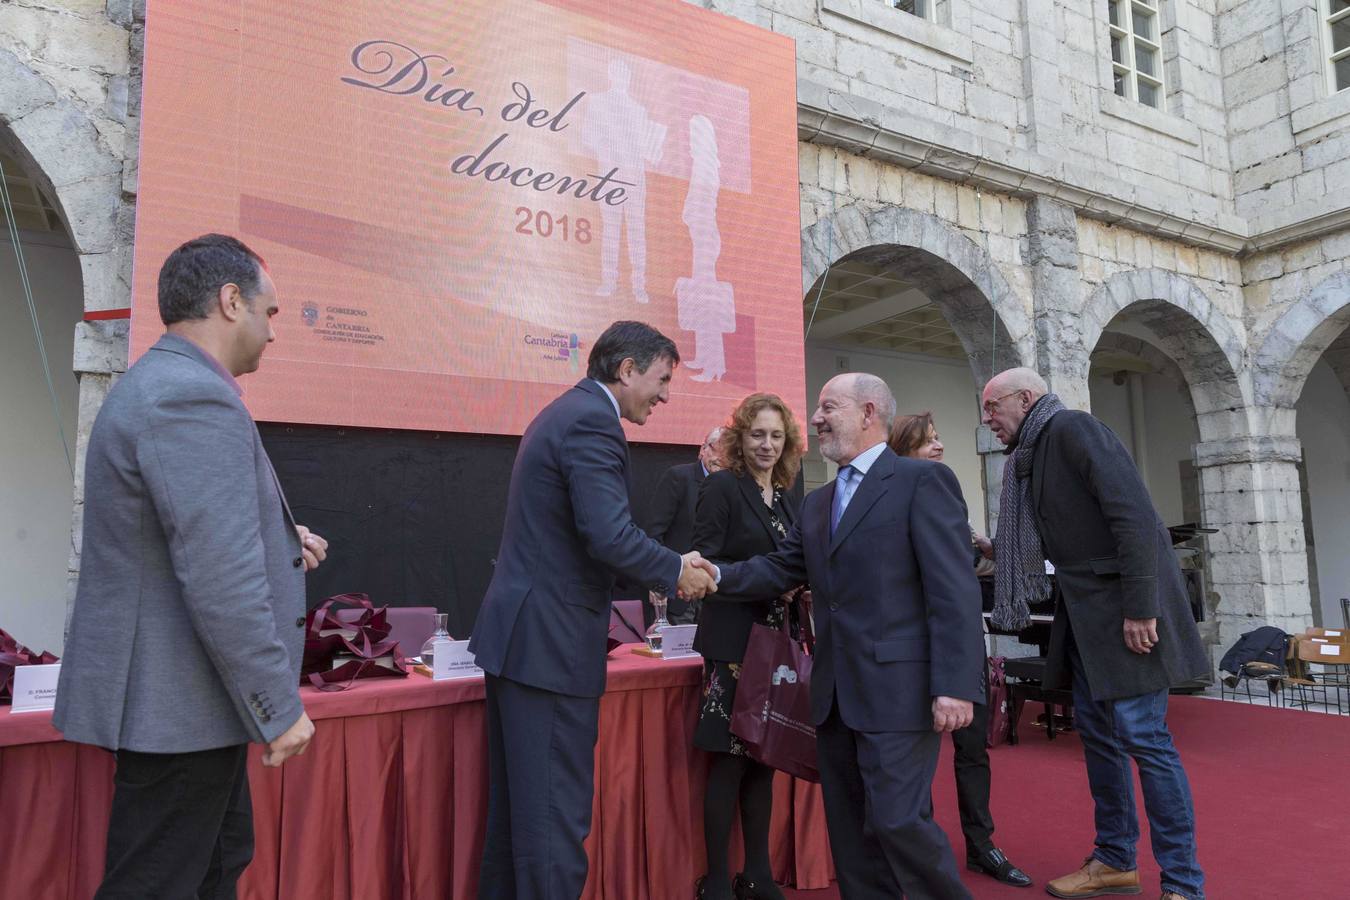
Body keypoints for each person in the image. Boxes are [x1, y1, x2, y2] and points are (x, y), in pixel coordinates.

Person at [53, 234, 329, 899]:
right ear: (231, 301)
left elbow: (182, 527)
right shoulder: (189, 396)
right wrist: (276, 703)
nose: (273, 333)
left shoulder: (170, 385)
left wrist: (279, 537)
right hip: (174, 706)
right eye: (271, 313)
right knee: (158, 883)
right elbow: (218, 573)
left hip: (187, 706)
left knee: (212, 868)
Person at [710, 373, 985, 900]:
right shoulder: (818, 502)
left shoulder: (921, 482)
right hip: (835, 698)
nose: (815, 419)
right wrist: (714, 575)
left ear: (869, 411)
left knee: (899, 824)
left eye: (827, 406)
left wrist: (956, 684)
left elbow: (953, 592)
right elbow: (777, 568)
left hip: (900, 694)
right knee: (852, 835)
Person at [468, 320, 718, 899]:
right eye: (660, 379)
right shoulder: (591, 422)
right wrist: (676, 570)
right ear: (626, 370)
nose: (664, 394)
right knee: (553, 826)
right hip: (549, 646)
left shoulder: (567, 413)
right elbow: (608, 534)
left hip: (526, 643)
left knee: (521, 827)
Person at [981, 367, 1208, 900]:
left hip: (1124, 613)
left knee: (1144, 739)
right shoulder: (1030, 456)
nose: (987, 419)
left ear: (1026, 398)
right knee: (1101, 741)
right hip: (1084, 615)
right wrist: (998, 549)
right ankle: (1114, 860)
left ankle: (1183, 884)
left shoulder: (1073, 430)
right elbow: (1064, 534)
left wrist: (1140, 608)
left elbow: (1134, 518)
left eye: (993, 407)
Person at [888, 412, 1031, 889]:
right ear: (902, 451)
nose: (939, 446)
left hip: (963, 641)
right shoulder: (887, 503)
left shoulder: (946, 491)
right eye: (927, 441)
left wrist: (990, 553)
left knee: (973, 751)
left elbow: (966, 565)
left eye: (938, 437)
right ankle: (918, 848)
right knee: (916, 757)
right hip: (912, 648)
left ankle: (980, 844)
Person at [691, 394, 805, 900]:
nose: (767, 444)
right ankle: (717, 880)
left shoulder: (784, 496)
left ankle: (756, 874)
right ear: (741, 437)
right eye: (758, 434)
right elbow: (704, 568)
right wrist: (772, 585)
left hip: (776, 646)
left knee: (765, 759)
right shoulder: (721, 488)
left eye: (776, 436)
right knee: (730, 761)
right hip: (734, 645)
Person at [644, 425, 725, 625]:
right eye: (717, 449)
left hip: (716, 594)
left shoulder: (731, 487)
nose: (722, 457)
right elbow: (654, 532)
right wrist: (657, 581)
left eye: (730, 452)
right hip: (678, 591)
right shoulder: (679, 477)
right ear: (703, 449)